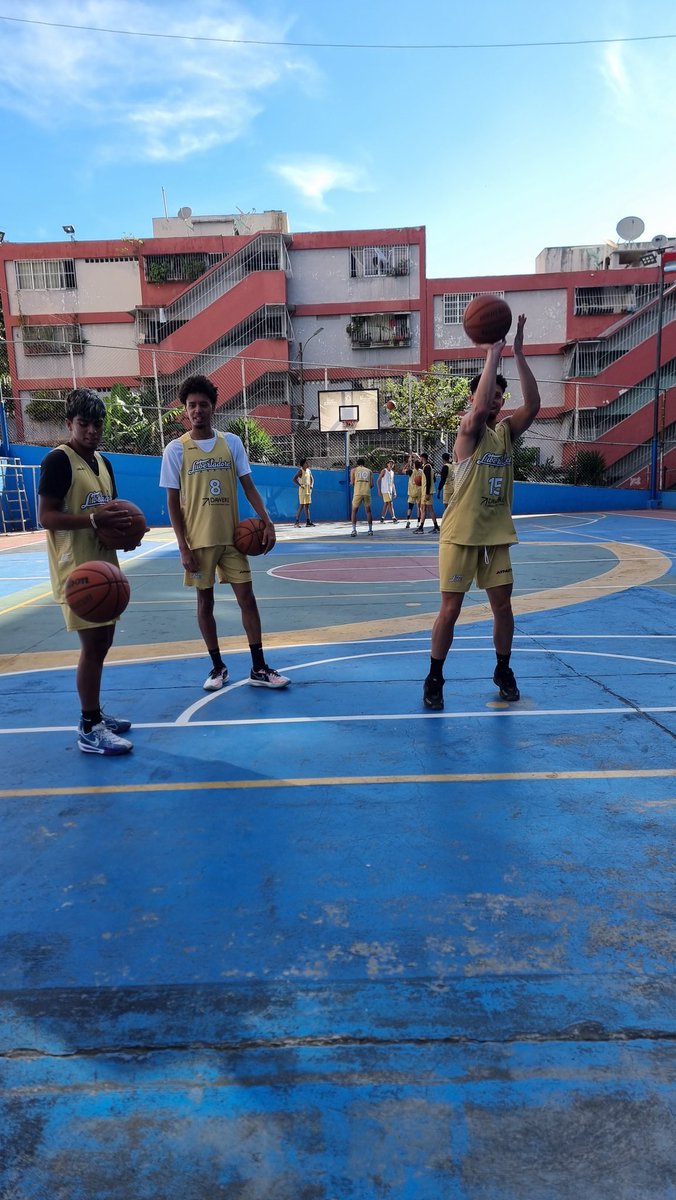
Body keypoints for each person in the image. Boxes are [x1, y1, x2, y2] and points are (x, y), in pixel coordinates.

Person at [423, 314, 540, 710]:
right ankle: (435, 675)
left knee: (503, 606)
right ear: (478, 399)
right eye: (491, 394)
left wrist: (519, 354)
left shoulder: (505, 433)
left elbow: (535, 405)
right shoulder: (468, 433)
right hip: (459, 535)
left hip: (495, 536)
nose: (497, 400)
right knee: (451, 609)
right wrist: (492, 353)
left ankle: (503, 668)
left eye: (501, 396)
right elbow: (476, 409)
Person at [159, 374, 290, 692]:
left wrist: (267, 521)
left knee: (248, 599)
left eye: (203, 404)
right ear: (185, 410)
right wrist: (182, 546)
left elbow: (249, 487)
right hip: (199, 540)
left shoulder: (231, 442)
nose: (197, 410)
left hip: (234, 538)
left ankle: (259, 667)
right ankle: (217, 666)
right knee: (205, 603)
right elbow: (173, 503)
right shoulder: (176, 450)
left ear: (213, 407)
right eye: (192, 405)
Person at [38, 388, 136, 755]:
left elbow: (112, 514)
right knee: (92, 647)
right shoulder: (58, 461)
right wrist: (93, 520)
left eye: (97, 424)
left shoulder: (104, 463)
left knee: (103, 643)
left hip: (105, 566)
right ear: (69, 424)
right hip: (78, 572)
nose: (92, 430)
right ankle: (89, 727)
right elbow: (46, 517)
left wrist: (126, 535)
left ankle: (94, 713)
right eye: (84, 424)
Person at [415, 452, 440, 534]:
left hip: (426, 492)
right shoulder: (429, 467)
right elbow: (434, 479)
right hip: (427, 491)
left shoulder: (426, 467)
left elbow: (429, 480)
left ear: (422, 458)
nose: (419, 460)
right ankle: (435, 527)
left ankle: (422, 528)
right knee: (428, 509)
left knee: (424, 509)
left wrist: (427, 493)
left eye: (420, 458)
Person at [350, 458, 374, 536]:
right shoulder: (369, 471)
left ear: (357, 464)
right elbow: (371, 485)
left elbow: (352, 482)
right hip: (366, 492)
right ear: (364, 464)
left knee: (354, 511)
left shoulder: (353, 470)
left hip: (358, 492)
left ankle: (354, 530)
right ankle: (370, 530)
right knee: (368, 511)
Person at [292, 459, 315, 527]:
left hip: (308, 490)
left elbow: (312, 479)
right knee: (301, 506)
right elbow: (294, 479)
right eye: (306, 463)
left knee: (307, 506)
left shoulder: (309, 471)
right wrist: (300, 485)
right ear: (303, 464)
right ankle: (296, 522)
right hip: (302, 490)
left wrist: (311, 486)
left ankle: (308, 521)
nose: (307, 463)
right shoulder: (300, 471)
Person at [404, 453, 423, 529]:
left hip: (412, 492)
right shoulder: (422, 471)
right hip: (419, 491)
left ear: (414, 465)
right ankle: (418, 523)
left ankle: (408, 520)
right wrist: (418, 457)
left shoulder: (411, 471)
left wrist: (408, 463)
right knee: (419, 507)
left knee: (410, 507)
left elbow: (403, 470)